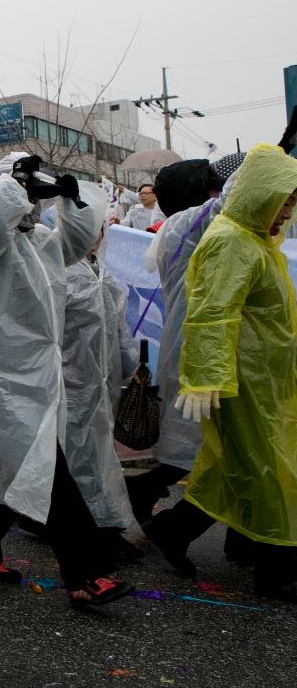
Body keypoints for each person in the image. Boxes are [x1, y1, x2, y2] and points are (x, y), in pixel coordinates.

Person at [0, 152, 133, 606]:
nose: (34, 204)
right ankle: (86, 573)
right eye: (26, 193)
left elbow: (77, 240)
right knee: (48, 468)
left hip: (34, 374)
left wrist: (71, 200)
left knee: (2, 465)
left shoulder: (40, 242)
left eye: (36, 195)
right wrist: (14, 183)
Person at [143, 144, 297, 603]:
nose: (287, 209)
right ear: (257, 194)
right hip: (242, 382)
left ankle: (172, 530)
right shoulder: (230, 240)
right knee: (271, 471)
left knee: (233, 468)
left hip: (266, 381)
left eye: (292, 202)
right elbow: (212, 314)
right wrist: (207, 378)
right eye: (282, 198)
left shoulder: (257, 242)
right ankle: (278, 571)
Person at [123, 161, 230, 525]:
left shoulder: (184, 227)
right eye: (213, 189)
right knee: (207, 446)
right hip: (196, 349)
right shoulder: (187, 225)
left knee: (208, 445)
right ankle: (153, 500)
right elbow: (232, 201)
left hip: (201, 347)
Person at [57, 217, 142, 563]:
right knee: (79, 459)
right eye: (85, 229)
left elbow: (119, 329)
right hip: (72, 385)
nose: (93, 237)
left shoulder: (103, 276)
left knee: (97, 457)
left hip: (102, 384)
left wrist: (132, 365)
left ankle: (101, 525)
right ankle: (96, 530)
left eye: (98, 230)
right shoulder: (61, 275)